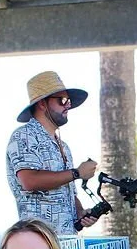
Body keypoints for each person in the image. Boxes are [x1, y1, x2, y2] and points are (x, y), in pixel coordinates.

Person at [6, 70, 111, 238]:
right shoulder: (24, 135)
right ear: (42, 104)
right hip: (38, 242)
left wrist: (80, 212)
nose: (68, 105)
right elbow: (29, 181)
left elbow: (69, 191)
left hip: (68, 244)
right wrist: (77, 173)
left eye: (68, 101)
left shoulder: (64, 146)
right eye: (62, 100)